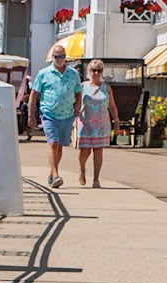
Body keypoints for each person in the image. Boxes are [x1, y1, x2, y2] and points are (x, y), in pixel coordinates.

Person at [28, 44, 82, 189]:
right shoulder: (43, 73)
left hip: (67, 115)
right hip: (49, 113)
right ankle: (56, 174)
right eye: (57, 56)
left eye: (62, 56)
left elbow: (78, 92)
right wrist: (31, 114)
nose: (60, 59)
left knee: (59, 146)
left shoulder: (73, 74)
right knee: (52, 143)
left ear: (66, 57)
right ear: (52, 57)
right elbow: (34, 94)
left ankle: (52, 174)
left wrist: (77, 107)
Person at [76, 59, 113, 189]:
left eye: (99, 70)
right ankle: (82, 169)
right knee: (84, 151)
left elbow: (112, 106)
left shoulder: (106, 88)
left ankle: (96, 179)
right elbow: (76, 103)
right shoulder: (82, 86)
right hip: (85, 122)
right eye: (93, 70)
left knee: (98, 151)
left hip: (101, 123)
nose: (96, 72)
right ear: (89, 71)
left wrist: (117, 121)